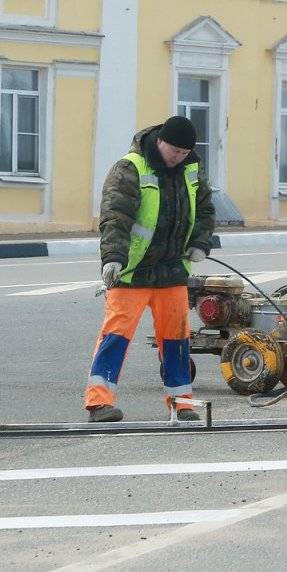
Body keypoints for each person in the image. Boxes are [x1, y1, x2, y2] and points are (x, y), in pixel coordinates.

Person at [84, 115, 216, 422]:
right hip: (133, 272)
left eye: (183, 153)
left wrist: (200, 242)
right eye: (174, 151)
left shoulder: (191, 168)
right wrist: (113, 258)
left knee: (177, 339)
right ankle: (99, 402)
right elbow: (115, 216)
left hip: (172, 272)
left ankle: (181, 403)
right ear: (159, 141)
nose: (177, 158)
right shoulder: (131, 167)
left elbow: (205, 209)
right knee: (115, 335)